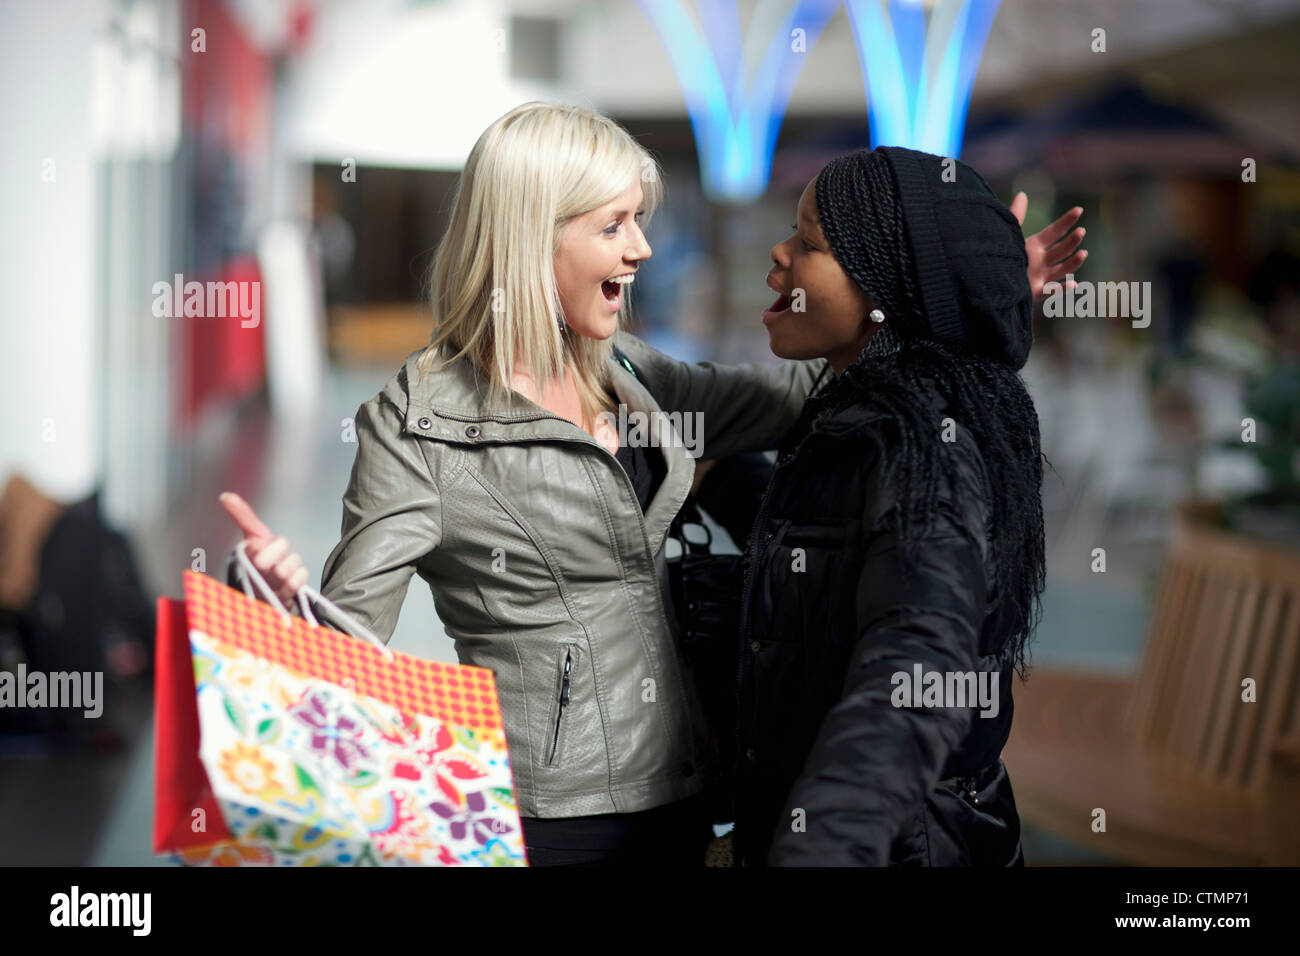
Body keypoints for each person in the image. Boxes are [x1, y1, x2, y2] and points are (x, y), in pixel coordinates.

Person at [219, 103, 1083, 867]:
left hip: (693, 793)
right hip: (554, 821)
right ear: (531, 238)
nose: (641, 248)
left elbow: (812, 386)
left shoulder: (625, 370)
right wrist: (281, 604)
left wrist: (962, 293)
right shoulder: (417, 428)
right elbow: (339, 665)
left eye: (638, 219)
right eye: (614, 225)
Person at [731, 145, 1051, 866]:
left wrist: (827, 846)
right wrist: (715, 475)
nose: (780, 254)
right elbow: (835, 545)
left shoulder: (924, 442)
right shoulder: (868, 415)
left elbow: (918, 669)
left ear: (883, 288)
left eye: (809, 242)